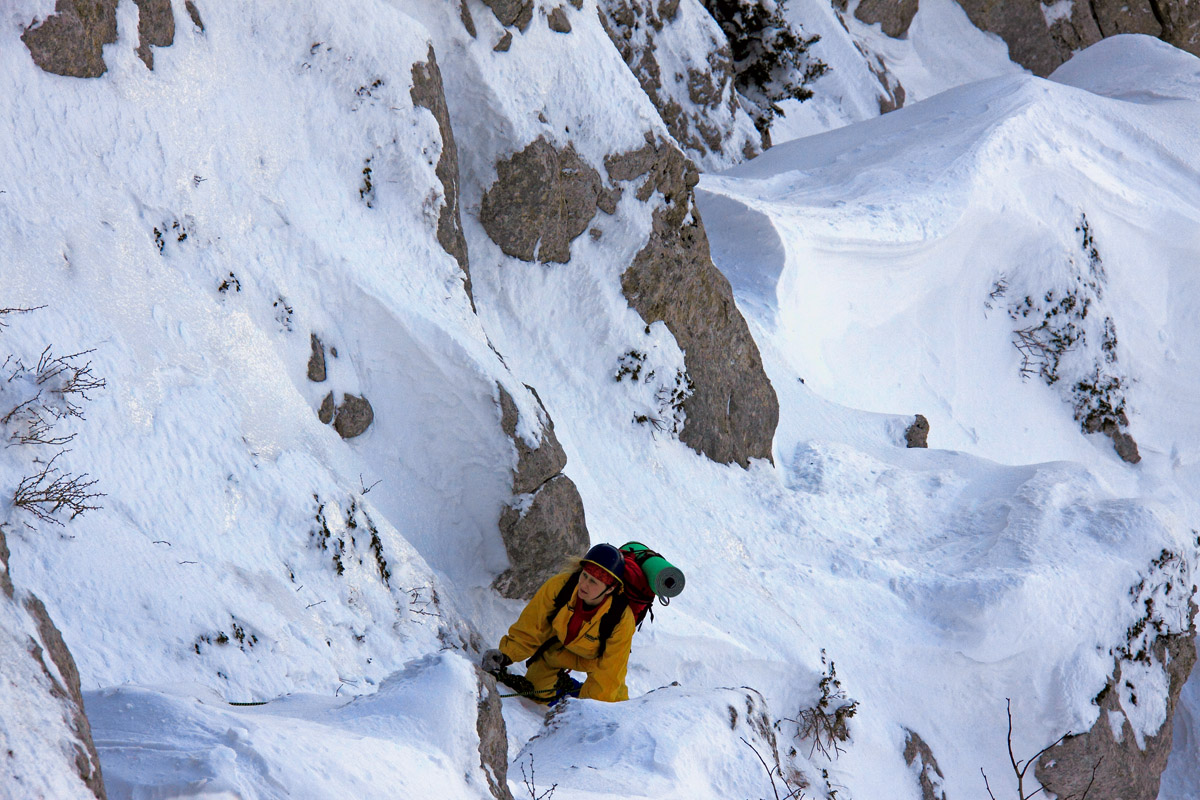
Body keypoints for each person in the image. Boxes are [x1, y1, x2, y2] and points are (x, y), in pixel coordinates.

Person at [481, 543, 636, 703]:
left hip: (596, 662)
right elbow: (531, 629)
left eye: (593, 582)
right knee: (537, 692)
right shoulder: (560, 587)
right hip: (559, 649)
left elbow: (609, 674)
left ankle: (592, 700)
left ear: (610, 589)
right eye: (584, 575)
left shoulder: (621, 619)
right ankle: (568, 688)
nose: (584, 584)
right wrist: (506, 655)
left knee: (610, 704)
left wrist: (588, 714)